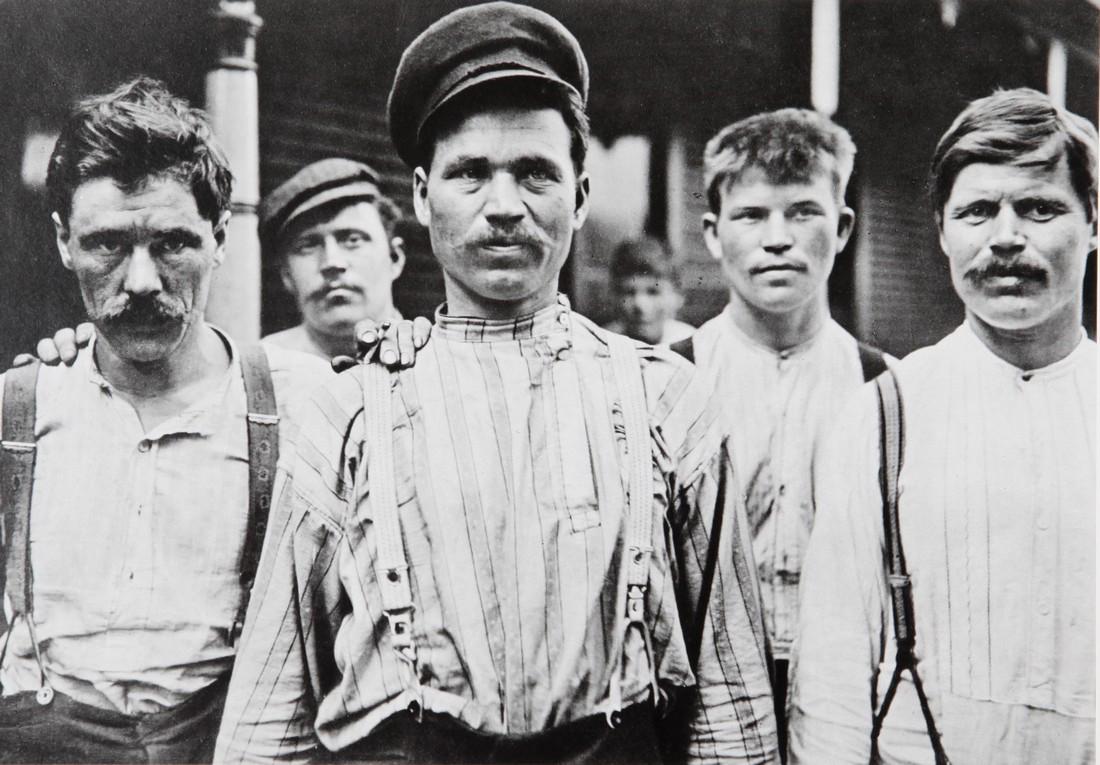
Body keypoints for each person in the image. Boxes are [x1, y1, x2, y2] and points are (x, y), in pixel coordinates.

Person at [215, 3, 777, 763]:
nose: (504, 206)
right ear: (421, 196)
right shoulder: (347, 410)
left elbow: (731, 693)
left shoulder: (665, 398)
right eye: (471, 173)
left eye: (536, 173)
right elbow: (270, 709)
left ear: (579, 197)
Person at [0, 78, 328, 763]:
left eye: (173, 244)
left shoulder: (299, 405)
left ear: (220, 235)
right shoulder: (17, 411)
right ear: (64, 242)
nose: (142, 280)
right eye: (108, 245)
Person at [788, 88, 1096, 763]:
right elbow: (832, 668)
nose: (1006, 237)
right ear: (942, 231)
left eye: (1041, 208)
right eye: (978, 211)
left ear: (1094, 221)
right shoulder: (886, 412)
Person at [670, 108, 886, 755]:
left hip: (849, 696)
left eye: (802, 212)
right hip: (705, 702)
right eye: (751, 215)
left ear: (843, 227)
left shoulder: (886, 388)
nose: (778, 238)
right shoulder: (667, 381)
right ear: (712, 233)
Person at [260, 158, 408, 360]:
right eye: (307, 246)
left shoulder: (437, 360)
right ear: (286, 275)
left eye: (352, 240)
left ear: (395, 258)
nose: (331, 263)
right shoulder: (262, 370)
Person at [603, 236, 694, 346]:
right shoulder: (601, 344)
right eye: (629, 292)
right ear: (613, 296)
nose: (640, 304)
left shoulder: (694, 345)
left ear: (678, 296)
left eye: (653, 292)